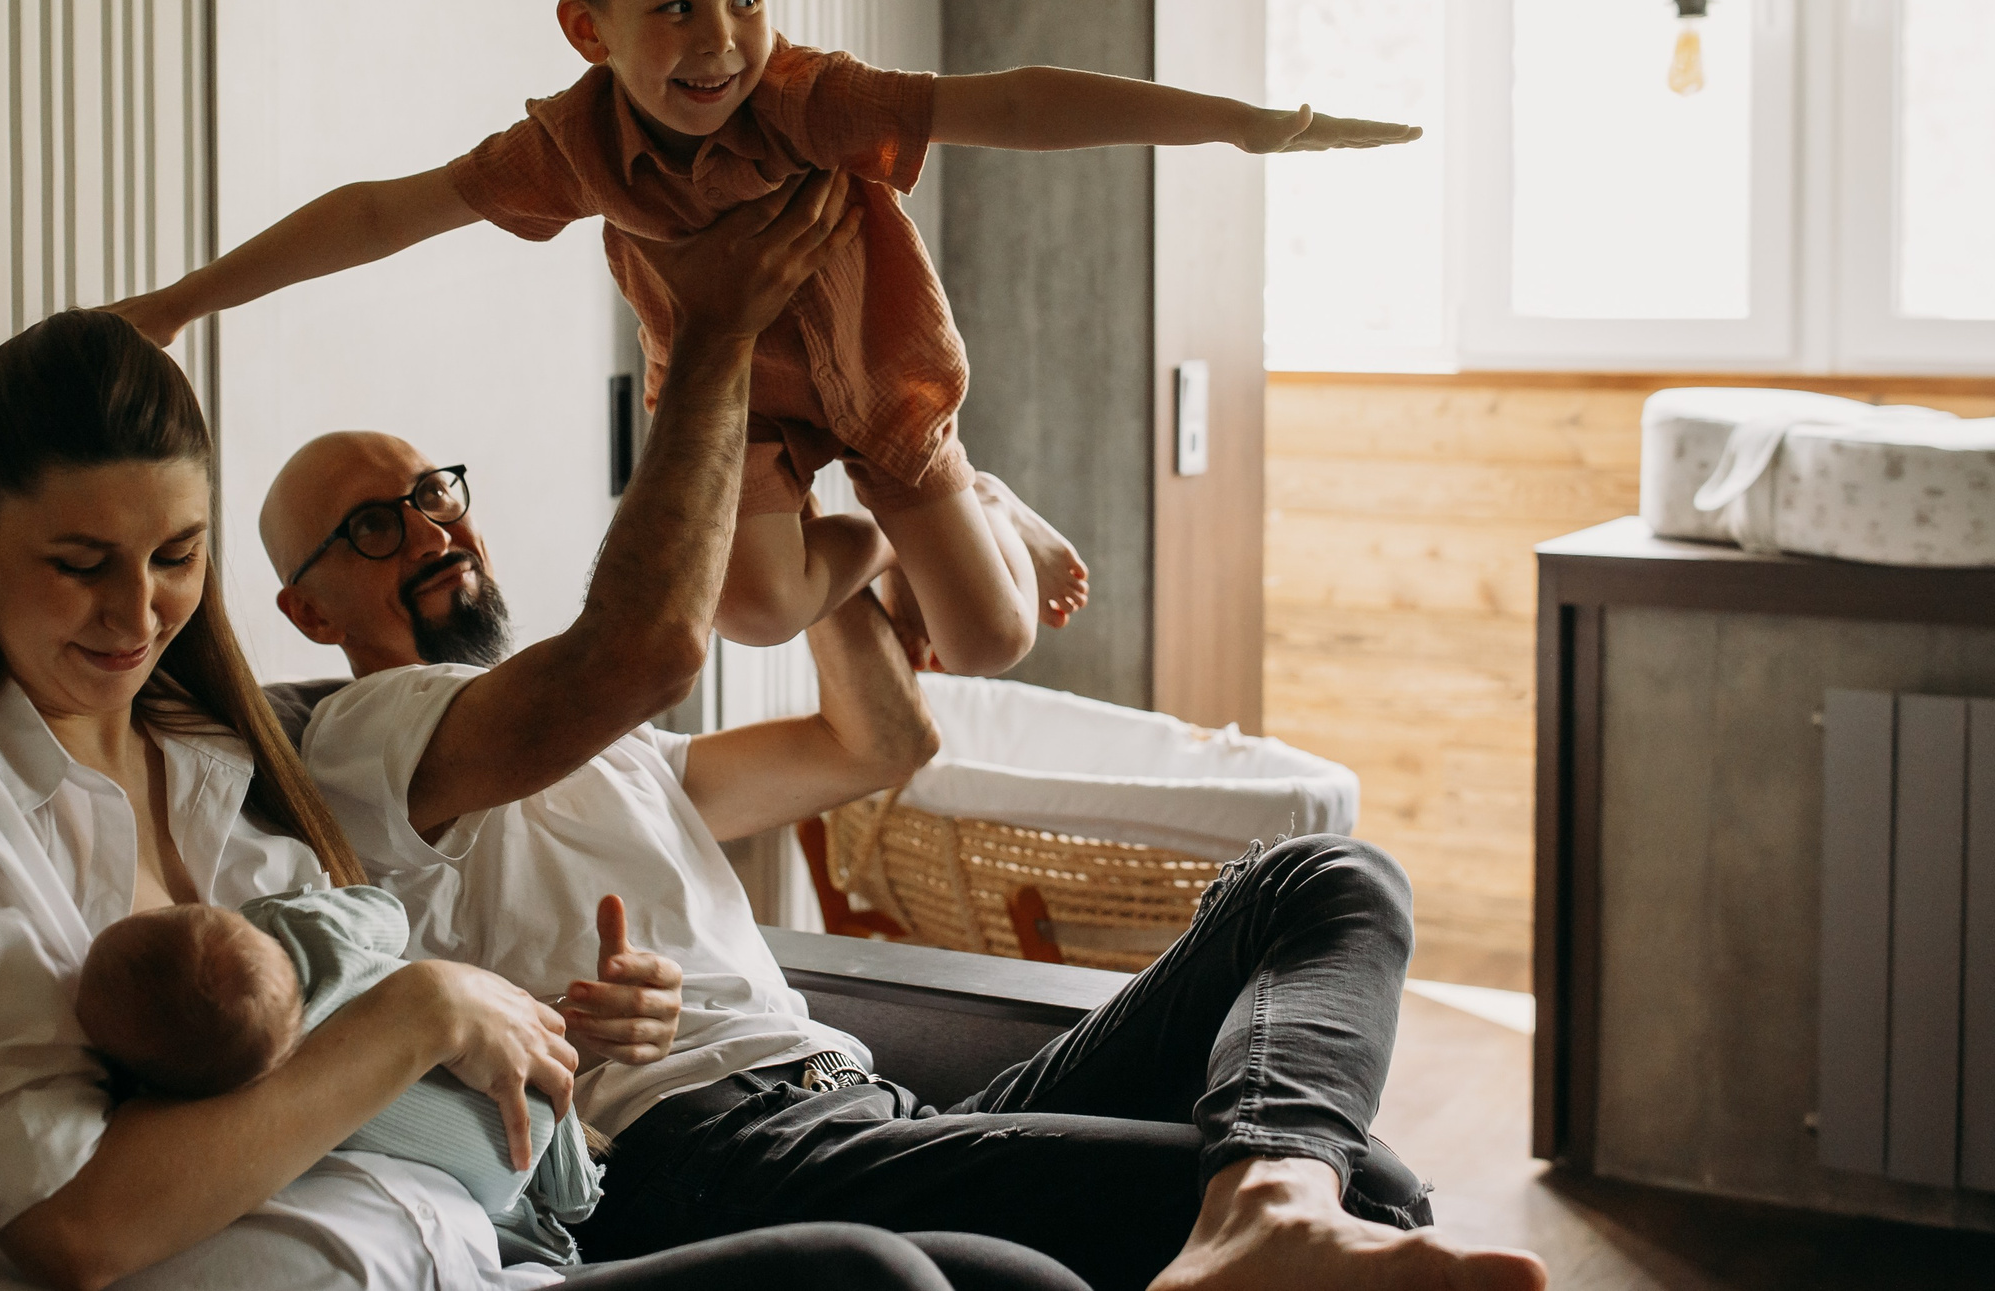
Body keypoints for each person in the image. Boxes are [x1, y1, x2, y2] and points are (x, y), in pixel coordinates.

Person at [261, 212, 1546, 1289]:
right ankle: (1280, 1208)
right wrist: (751, 382)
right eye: (371, 525)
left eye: (434, 492)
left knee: (1323, 879)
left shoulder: (616, 751)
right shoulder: (373, 736)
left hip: (859, 1107)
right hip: (702, 1153)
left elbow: (875, 740)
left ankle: (1269, 1202)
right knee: (1371, 1186)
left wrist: (848, 504)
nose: (427, 530)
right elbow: (636, 652)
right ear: (308, 611)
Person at [0, 301, 1083, 1291]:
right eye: (79, 562)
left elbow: (870, 741)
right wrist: (728, 348)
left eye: (173, 556)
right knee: (876, 1277)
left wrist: (531, 1026)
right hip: (496, 1220)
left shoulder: (215, 763)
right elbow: (72, 1221)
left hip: (500, 1243)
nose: (135, 611)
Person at [110, 0, 1416, 678]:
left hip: (879, 381)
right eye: (675, 9)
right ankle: (887, 542)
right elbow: (379, 213)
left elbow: (1015, 103)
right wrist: (176, 303)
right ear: (588, 28)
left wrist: (1242, 123)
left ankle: (980, 500)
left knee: (987, 640)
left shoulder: (805, 99)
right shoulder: (571, 149)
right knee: (749, 610)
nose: (721, 43)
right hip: (734, 406)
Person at [76, 889, 603, 1266]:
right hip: (527, 1085)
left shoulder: (242, 1102)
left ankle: (557, 1237)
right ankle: (580, 1193)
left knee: (515, 1211)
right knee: (557, 1144)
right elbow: (389, 914)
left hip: (489, 1181)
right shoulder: (301, 930)